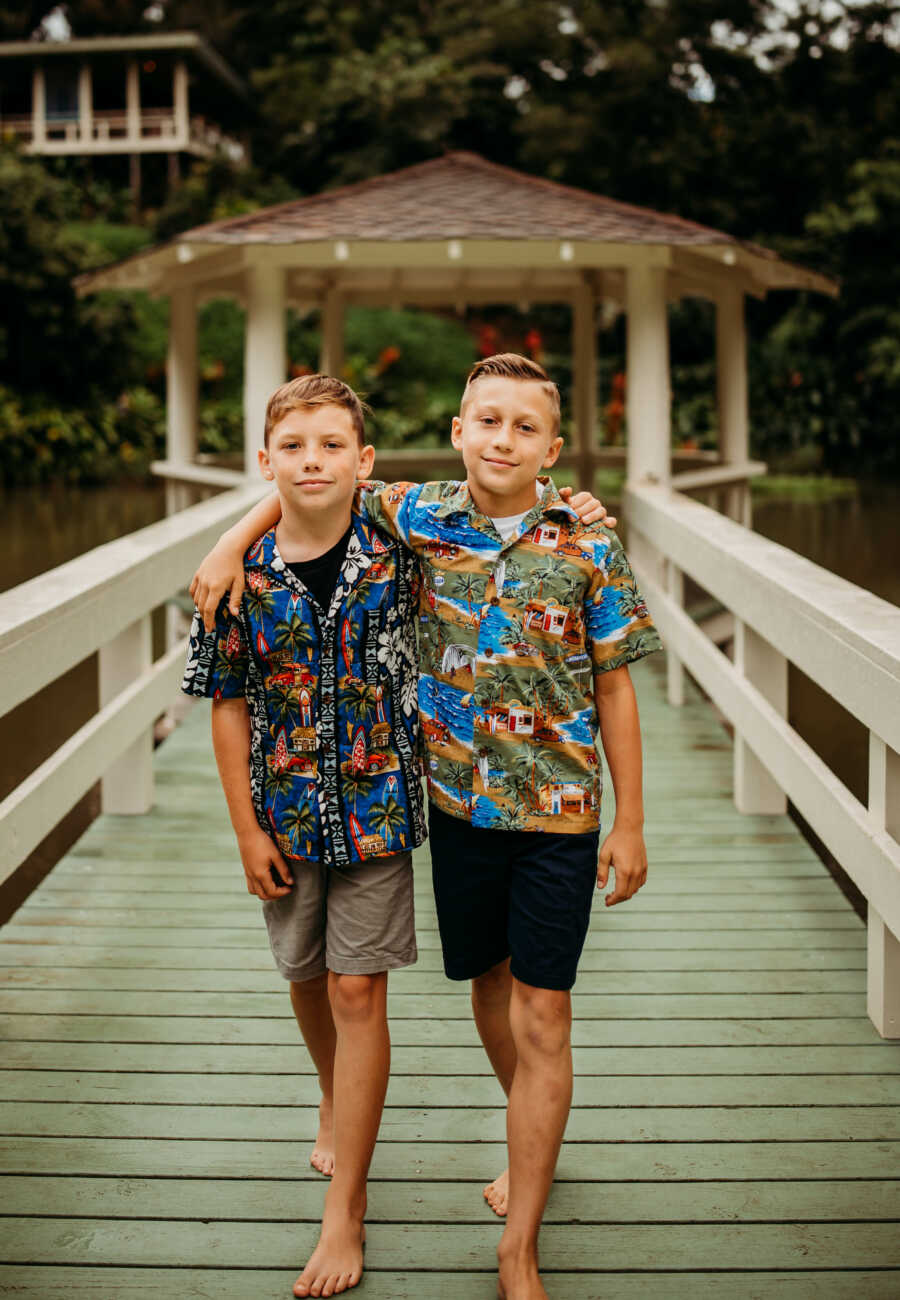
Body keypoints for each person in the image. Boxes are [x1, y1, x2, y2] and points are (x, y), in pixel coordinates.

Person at [192, 355, 659, 1300]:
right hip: (456, 808)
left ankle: (517, 1238)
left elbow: (615, 680)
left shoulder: (583, 540)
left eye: (525, 429)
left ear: (553, 447)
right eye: (485, 421)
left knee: (539, 1007)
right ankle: (525, 1131)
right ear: (456, 432)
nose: (502, 440)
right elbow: (303, 486)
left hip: (547, 811)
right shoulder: (421, 515)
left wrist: (634, 820)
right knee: (486, 989)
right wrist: (229, 542)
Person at [181, 374, 428, 1298]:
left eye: (333, 446)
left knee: (359, 988)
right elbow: (226, 706)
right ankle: (332, 1091)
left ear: (364, 463)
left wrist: (576, 504)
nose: (312, 461)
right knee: (307, 978)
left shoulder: (399, 545)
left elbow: (499, 499)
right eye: (294, 447)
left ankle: (347, 1208)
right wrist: (244, 830)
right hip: (281, 813)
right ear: (265, 462)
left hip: (377, 810)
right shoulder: (234, 582)